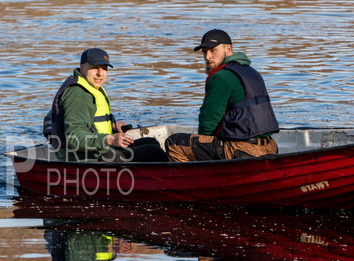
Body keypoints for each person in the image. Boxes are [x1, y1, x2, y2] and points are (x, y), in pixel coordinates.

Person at [164, 30, 279, 162]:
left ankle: (200, 181)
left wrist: (203, 146)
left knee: (175, 143)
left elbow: (208, 120)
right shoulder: (252, 72)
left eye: (213, 50)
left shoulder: (221, 77)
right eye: (204, 52)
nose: (208, 57)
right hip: (270, 146)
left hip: (242, 149)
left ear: (228, 49)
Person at [43, 48, 168, 162]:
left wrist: (112, 124)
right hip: (84, 158)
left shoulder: (91, 87)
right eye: (94, 67)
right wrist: (110, 139)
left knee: (151, 142)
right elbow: (74, 137)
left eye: (104, 68)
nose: (100, 73)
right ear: (82, 68)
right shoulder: (78, 95)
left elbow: (91, 119)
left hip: (97, 150)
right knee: (154, 152)